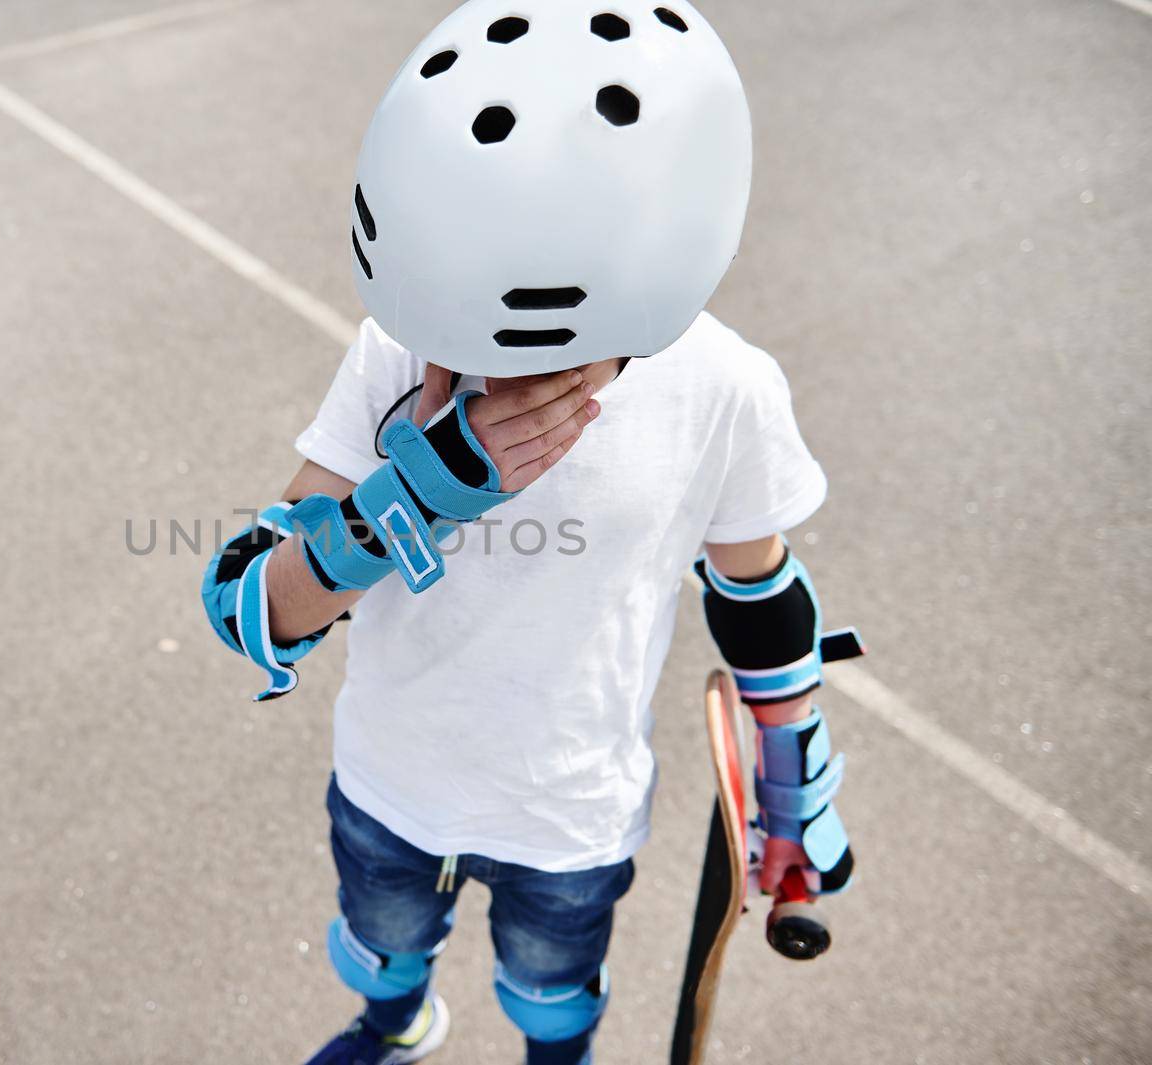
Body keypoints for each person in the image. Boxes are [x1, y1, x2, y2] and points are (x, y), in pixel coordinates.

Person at [201, 3, 854, 1062]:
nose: (489, 377)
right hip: (390, 777)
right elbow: (253, 611)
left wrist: (796, 791)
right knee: (380, 948)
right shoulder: (397, 350)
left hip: (569, 807)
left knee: (550, 992)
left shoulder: (725, 389)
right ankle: (397, 1027)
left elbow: (759, 598)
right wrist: (409, 500)